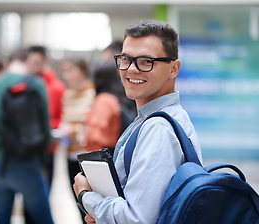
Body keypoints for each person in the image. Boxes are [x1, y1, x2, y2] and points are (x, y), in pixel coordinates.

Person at [73, 19, 202, 224]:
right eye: (126, 59)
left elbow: (137, 219)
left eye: (146, 61)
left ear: (173, 69)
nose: (131, 69)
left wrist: (86, 196)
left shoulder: (158, 129)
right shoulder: (156, 118)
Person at [0, 48, 54, 224]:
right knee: (43, 219)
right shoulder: (35, 84)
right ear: (28, 61)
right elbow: (45, 127)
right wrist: (43, 161)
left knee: (2, 219)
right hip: (27, 162)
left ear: (7, 63)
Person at [59, 58, 96, 224]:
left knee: (90, 203)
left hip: (87, 154)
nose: (66, 76)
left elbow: (92, 125)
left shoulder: (93, 93)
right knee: (78, 202)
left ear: (81, 71)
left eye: (70, 71)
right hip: (70, 152)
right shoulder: (67, 94)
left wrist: (72, 130)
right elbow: (64, 121)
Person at [27, 45, 66, 188]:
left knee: (44, 188)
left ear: (45, 61)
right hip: (26, 148)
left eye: (36, 62)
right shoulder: (23, 84)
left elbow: (62, 117)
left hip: (47, 147)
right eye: (30, 62)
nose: (32, 66)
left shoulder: (56, 87)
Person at [83, 63, 135, 155]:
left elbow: (96, 136)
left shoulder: (104, 100)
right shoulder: (117, 97)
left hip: (103, 156)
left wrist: (84, 139)